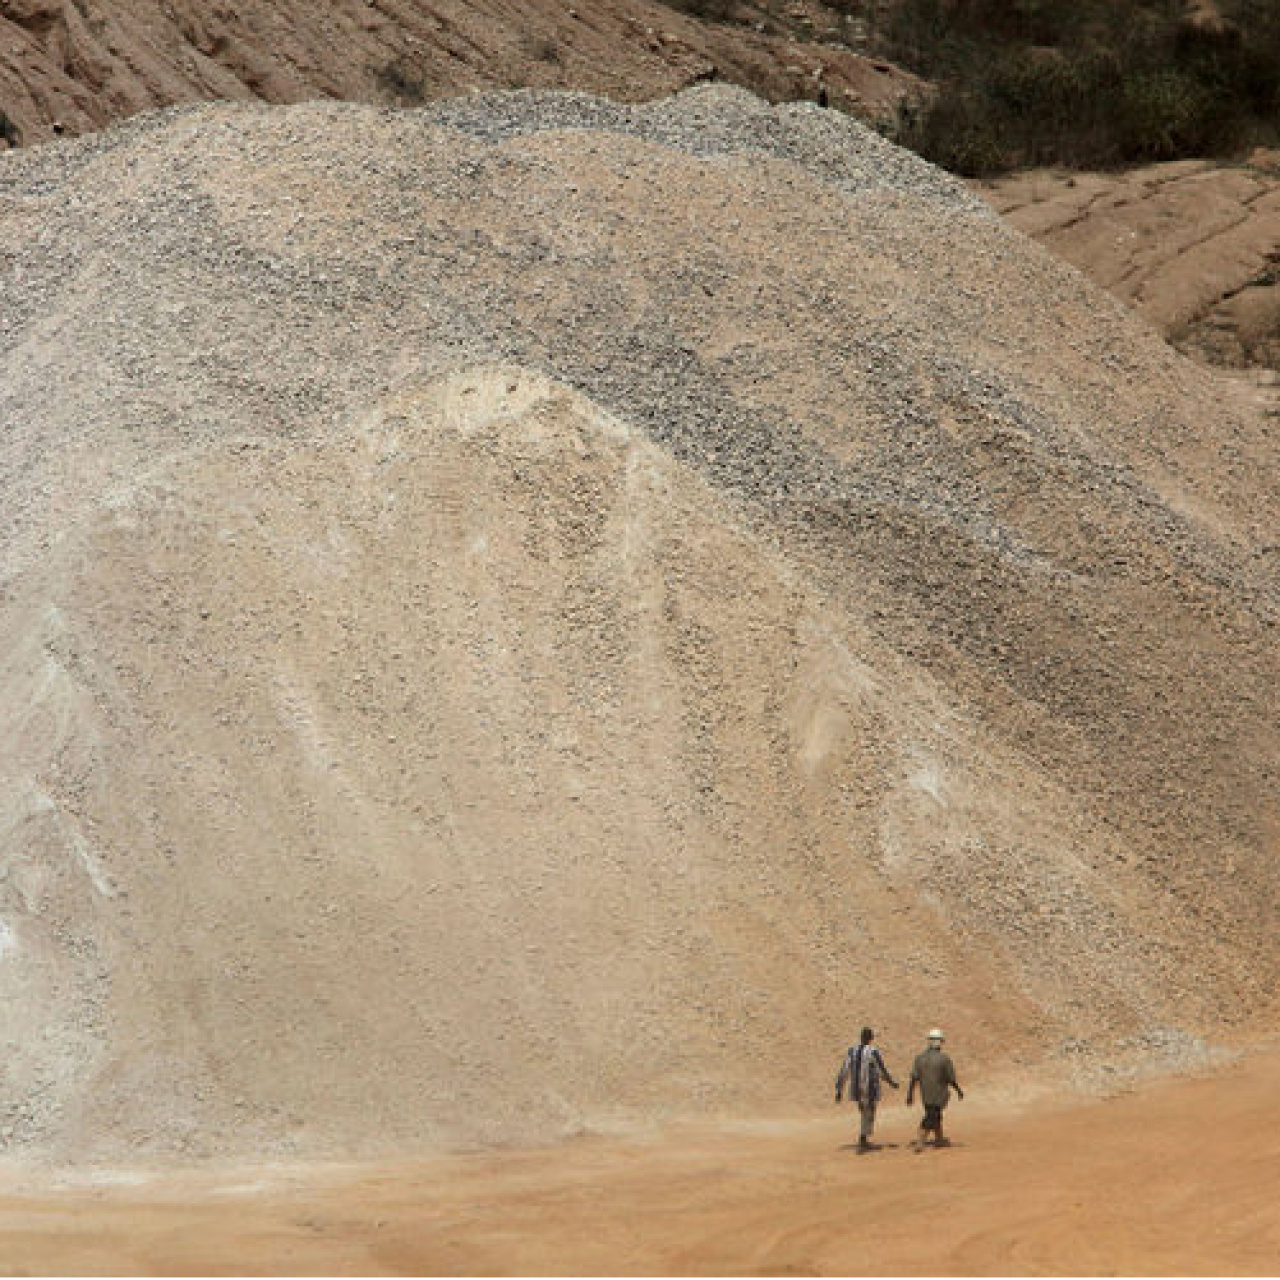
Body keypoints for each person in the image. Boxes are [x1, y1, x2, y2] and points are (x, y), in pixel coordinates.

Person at [835, 1026, 899, 1151]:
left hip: (856, 1089)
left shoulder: (852, 1051)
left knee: (865, 1111)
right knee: (868, 1112)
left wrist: (839, 1089)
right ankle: (863, 1140)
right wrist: (891, 1082)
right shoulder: (873, 1051)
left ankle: (863, 1138)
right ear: (871, 1038)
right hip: (869, 1088)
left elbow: (844, 1070)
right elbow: (881, 1069)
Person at [907, 1028, 963, 1149]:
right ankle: (920, 1141)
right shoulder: (944, 1059)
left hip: (925, 1094)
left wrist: (909, 1095)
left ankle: (939, 1139)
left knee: (935, 1115)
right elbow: (951, 1079)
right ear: (940, 1042)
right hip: (938, 1094)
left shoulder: (919, 1058)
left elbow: (913, 1078)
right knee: (931, 1116)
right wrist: (959, 1090)